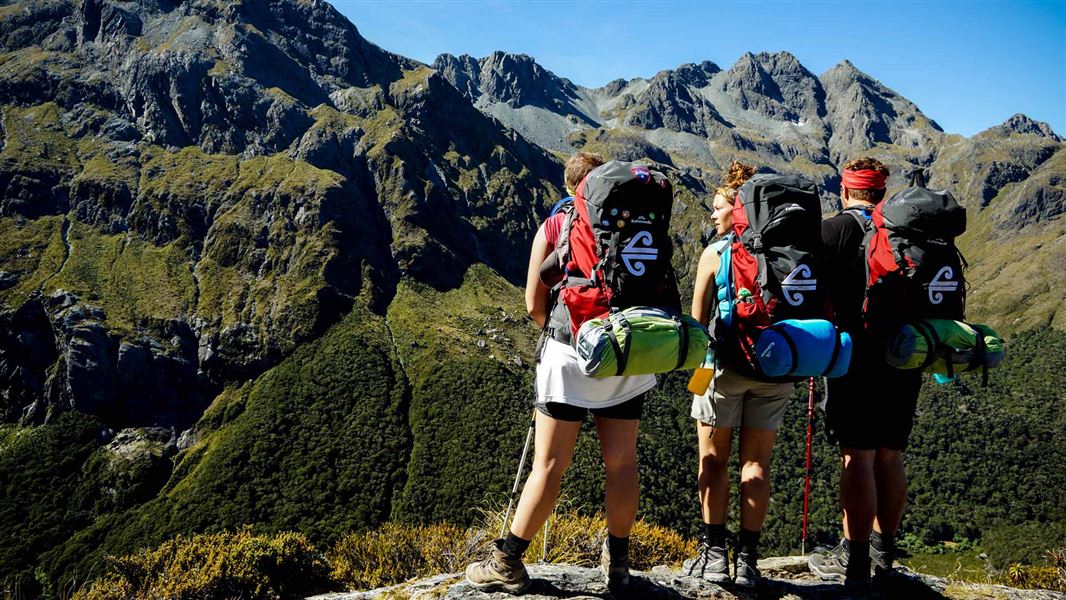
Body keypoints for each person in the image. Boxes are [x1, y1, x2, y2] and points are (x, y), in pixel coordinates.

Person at [465, 152, 655, 593]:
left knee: (548, 465)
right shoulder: (634, 218)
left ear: (571, 188)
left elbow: (534, 302)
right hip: (627, 351)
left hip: (569, 357)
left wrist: (559, 334)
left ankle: (507, 562)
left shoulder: (556, 225)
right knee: (623, 462)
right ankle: (620, 565)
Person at [808, 157, 923, 595]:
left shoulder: (833, 230)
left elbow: (810, 288)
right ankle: (882, 553)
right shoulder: (904, 231)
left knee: (857, 455)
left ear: (845, 189)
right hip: (904, 353)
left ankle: (854, 563)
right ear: (882, 191)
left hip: (853, 356)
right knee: (890, 455)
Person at [682, 161, 793, 589]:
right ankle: (747, 559)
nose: (712, 215)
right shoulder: (784, 250)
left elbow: (696, 321)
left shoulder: (717, 253)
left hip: (725, 367)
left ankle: (713, 555)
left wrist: (697, 370)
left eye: (718, 208)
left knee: (713, 462)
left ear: (737, 210)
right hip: (777, 368)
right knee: (757, 464)